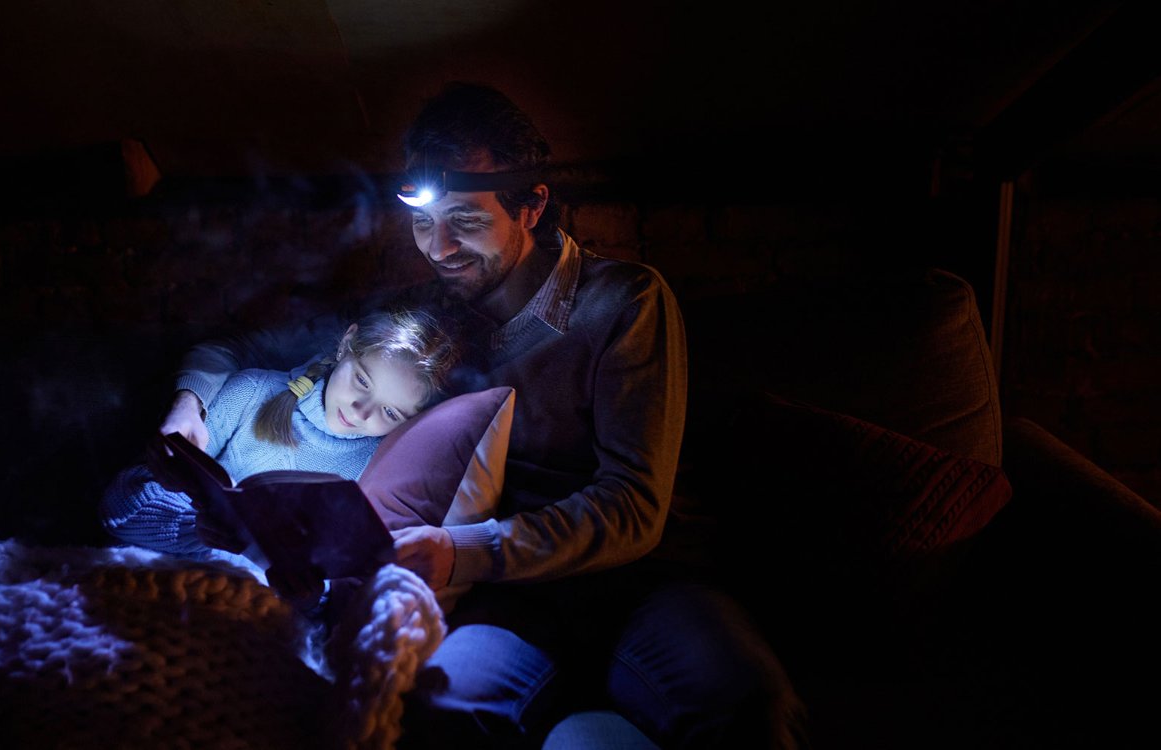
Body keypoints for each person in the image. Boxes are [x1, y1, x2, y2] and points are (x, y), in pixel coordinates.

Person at [156, 82, 805, 749]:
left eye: (464, 220)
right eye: (422, 221)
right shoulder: (422, 316)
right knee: (442, 712)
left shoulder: (624, 302)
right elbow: (240, 349)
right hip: (500, 600)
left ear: (532, 206)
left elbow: (633, 504)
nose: (438, 247)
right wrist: (192, 402)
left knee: (748, 706)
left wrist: (461, 550)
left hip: (638, 583)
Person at [98, 307, 457, 599]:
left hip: (253, 622)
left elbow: (346, 584)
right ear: (345, 344)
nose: (361, 412)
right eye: (362, 380)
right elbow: (119, 504)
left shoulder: (378, 466)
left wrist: (311, 594)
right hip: (160, 587)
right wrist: (197, 529)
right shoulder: (251, 394)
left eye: (390, 412)